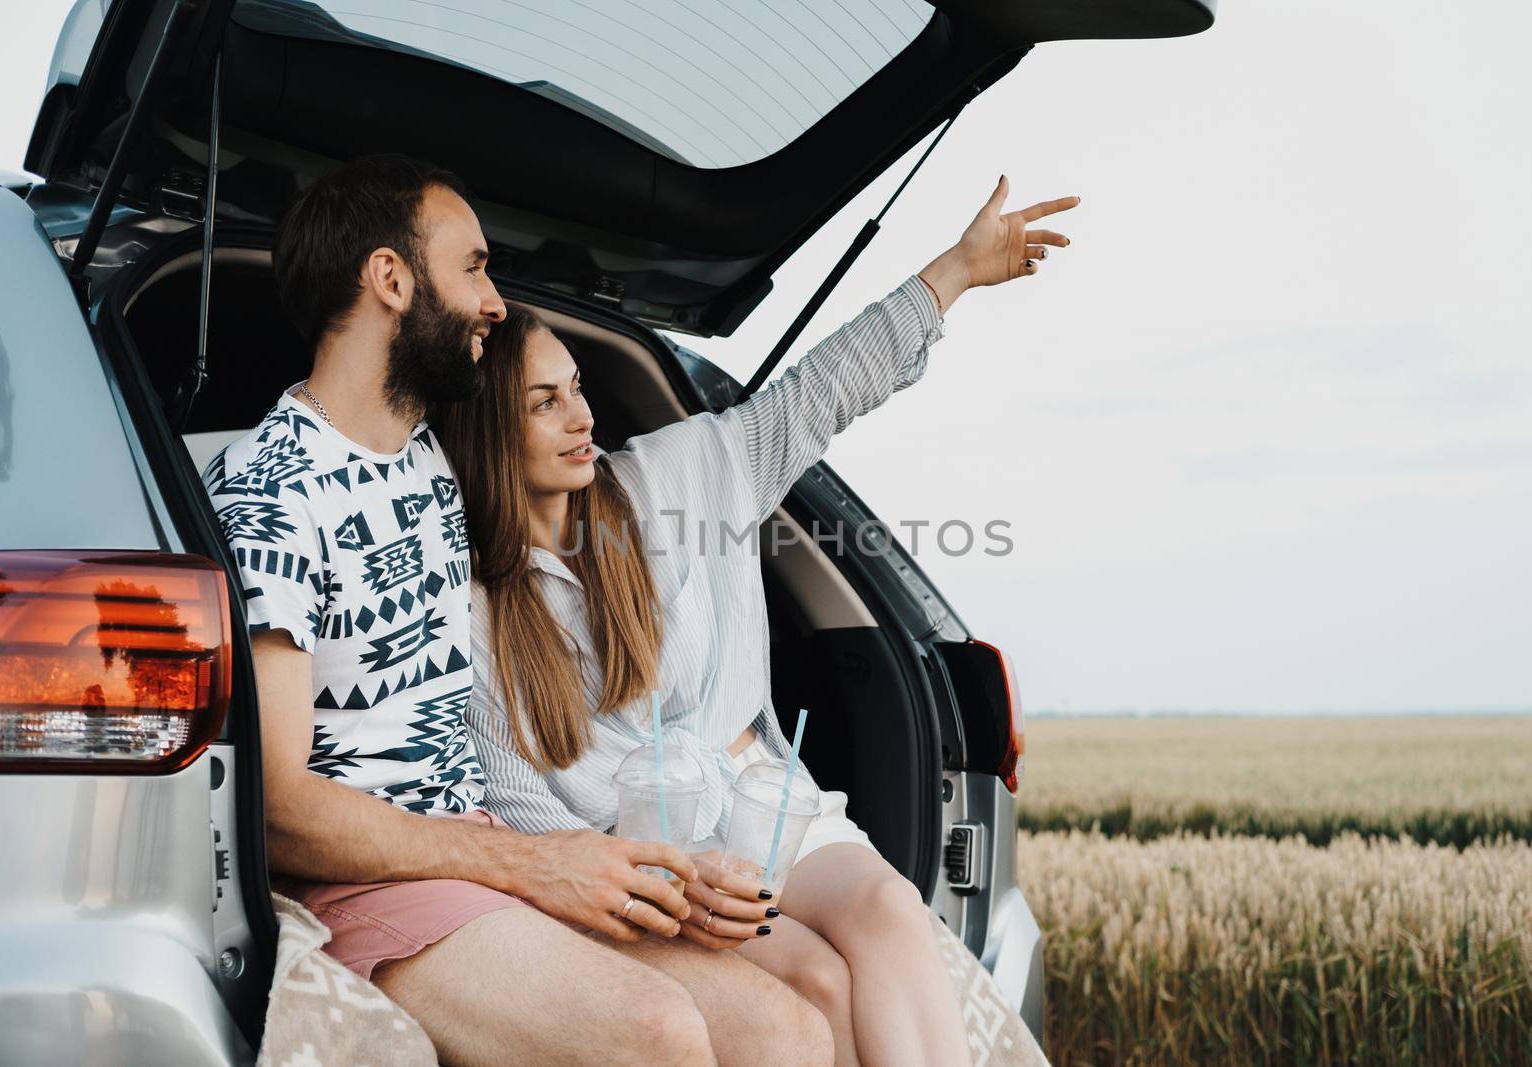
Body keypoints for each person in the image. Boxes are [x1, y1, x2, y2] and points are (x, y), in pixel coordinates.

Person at [205, 154, 832, 1067]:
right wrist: (534, 867)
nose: (493, 302)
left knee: (789, 1032)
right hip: (364, 883)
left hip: (479, 850)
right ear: (390, 279)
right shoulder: (273, 491)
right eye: (474, 267)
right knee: (659, 1033)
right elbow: (281, 809)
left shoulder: (428, 461)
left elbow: (555, 594)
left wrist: (656, 860)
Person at [437, 175, 1076, 1067]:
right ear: (488, 433)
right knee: (815, 981)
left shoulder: (672, 476)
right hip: (655, 879)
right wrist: (674, 885)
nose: (583, 417)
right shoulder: (473, 617)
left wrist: (955, 274)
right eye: (545, 402)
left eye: (577, 387)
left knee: (893, 911)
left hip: (767, 812)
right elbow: (532, 823)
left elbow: (820, 395)